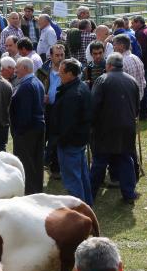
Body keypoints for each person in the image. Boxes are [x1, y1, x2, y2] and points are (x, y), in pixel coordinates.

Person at [90, 53, 140, 203]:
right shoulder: (132, 81)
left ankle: (90, 194)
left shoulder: (102, 80)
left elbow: (94, 105)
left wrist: (91, 124)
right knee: (125, 159)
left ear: (109, 65)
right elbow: (137, 106)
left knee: (99, 161)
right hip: (127, 126)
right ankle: (129, 194)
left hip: (106, 128)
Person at [50, 58, 93, 205]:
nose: (58, 74)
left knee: (72, 180)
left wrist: (59, 140)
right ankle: (87, 205)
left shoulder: (72, 95)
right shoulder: (81, 87)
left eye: (61, 72)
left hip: (70, 143)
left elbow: (67, 124)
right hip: (79, 141)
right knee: (82, 176)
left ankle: (79, 213)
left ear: (70, 74)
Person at [10, 57, 46, 194]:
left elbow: (24, 113)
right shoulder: (37, 82)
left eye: (17, 68)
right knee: (36, 161)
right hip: (38, 127)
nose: (15, 70)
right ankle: (36, 189)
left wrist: (18, 131)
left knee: (26, 163)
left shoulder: (25, 86)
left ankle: (29, 191)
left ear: (25, 68)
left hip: (27, 131)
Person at [37, 43, 66, 179]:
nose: (60, 58)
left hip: (61, 110)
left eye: (62, 55)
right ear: (51, 56)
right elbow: (37, 86)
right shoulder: (43, 70)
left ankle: (55, 168)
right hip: (46, 109)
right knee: (45, 136)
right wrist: (42, 95)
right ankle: (43, 161)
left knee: (57, 138)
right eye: (57, 55)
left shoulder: (69, 69)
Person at [131, 15, 147, 119]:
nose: (132, 25)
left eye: (133, 23)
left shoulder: (141, 33)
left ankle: (144, 113)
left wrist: (137, 63)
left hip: (145, 65)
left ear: (138, 23)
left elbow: (141, 51)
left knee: (144, 88)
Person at [113, 34, 145, 99]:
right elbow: (143, 82)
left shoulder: (122, 61)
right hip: (138, 97)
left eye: (114, 45)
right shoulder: (136, 58)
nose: (113, 47)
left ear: (121, 46)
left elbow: (119, 85)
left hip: (128, 99)